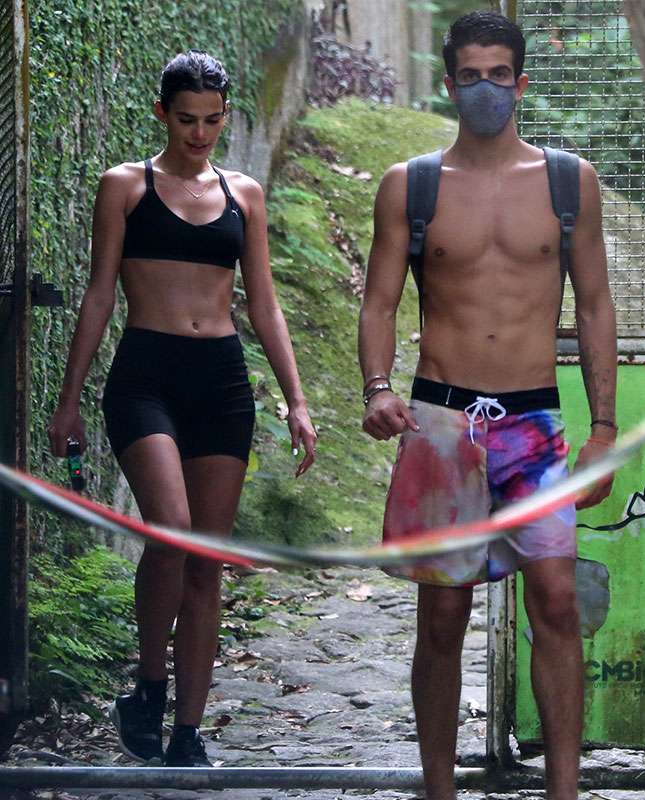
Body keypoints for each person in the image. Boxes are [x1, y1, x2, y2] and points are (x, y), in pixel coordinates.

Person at [359, 11, 616, 800]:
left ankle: (564, 790)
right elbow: (378, 301)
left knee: (558, 603)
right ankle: (439, 788)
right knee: (442, 619)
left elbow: (596, 305)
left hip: (535, 427)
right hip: (443, 424)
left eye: (498, 75)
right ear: (449, 84)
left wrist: (604, 428)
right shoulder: (412, 185)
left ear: (521, 82)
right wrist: (377, 387)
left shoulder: (569, 182)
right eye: (469, 75)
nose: (485, 89)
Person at [47, 50, 317, 767]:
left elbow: (264, 304)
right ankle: (149, 685)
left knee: (207, 562)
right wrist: (69, 401)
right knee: (170, 531)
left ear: (226, 116)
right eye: (187, 119)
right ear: (162, 113)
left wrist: (297, 401)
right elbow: (99, 293)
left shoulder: (244, 194)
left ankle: (188, 734)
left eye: (212, 120)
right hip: (146, 377)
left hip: (220, 382)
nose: (200, 134)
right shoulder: (125, 186)